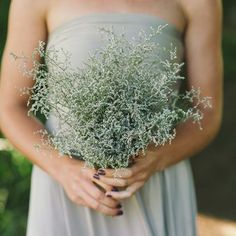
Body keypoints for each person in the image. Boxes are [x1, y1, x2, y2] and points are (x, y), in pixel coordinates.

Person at [0, 0, 223, 235]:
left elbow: (207, 113)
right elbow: (10, 107)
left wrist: (156, 158)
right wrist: (64, 169)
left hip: (155, 181)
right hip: (66, 186)